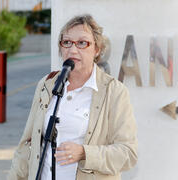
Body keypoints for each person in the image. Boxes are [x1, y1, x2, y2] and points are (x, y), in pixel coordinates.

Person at [7, 14, 138, 180]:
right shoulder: (47, 84)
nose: (73, 49)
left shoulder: (115, 91)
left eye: (82, 43)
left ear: (97, 50)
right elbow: (28, 144)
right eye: (67, 42)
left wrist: (84, 153)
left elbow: (128, 153)